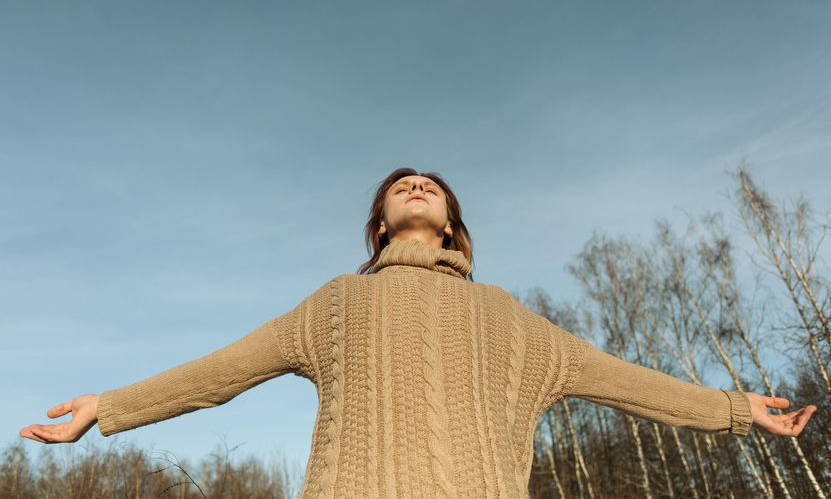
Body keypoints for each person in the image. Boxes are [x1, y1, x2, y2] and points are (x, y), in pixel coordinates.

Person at [20, 168, 817, 498]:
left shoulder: (511, 319)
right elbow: (222, 371)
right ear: (379, 225)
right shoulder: (332, 305)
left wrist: (731, 408)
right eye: (402, 186)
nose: (415, 184)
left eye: (431, 188)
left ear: (451, 231)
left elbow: (628, 381)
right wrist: (110, 407)